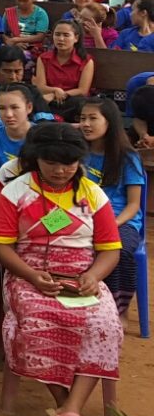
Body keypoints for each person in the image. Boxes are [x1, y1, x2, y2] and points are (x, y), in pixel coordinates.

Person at [0, 123, 122, 416]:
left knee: (105, 324)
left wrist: (93, 276)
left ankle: (71, 406)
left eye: (69, 164)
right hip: (27, 274)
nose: (61, 171)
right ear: (37, 159)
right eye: (52, 164)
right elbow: (0, 247)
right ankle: (62, 400)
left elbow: (111, 249)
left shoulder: (93, 193)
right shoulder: (16, 191)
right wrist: (33, 276)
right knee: (36, 322)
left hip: (83, 275)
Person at [76, 98, 145, 313]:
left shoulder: (128, 157)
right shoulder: (76, 153)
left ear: (110, 122)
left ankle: (116, 308)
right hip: (77, 213)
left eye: (93, 118)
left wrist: (111, 224)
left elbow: (134, 205)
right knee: (42, 231)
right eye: (82, 118)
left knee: (119, 250)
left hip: (119, 219)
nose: (86, 124)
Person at [33, 22, 93, 111]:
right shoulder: (43, 58)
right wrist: (55, 90)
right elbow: (41, 87)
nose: (61, 39)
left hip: (71, 100)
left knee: (79, 103)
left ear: (76, 38)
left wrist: (58, 94)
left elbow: (82, 90)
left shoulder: (86, 61)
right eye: (57, 34)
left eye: (66, 35)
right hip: (48, 99)